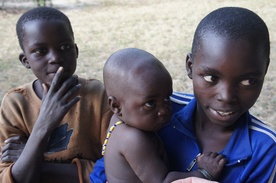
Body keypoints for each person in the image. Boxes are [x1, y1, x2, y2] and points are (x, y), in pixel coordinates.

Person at [90, 7, 276, 183]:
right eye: (211, 77)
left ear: (264, 71)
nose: (226, 96)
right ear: (190, 66)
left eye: (248, 82)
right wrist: (204, 174)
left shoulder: (266, 150)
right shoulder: (151, 111)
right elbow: (106, 171)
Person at [0, 7, 112, 183]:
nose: (55, 58)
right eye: (40, 51)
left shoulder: (98, 96)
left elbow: (114, 169)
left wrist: (34, 161)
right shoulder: (16, 104)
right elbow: (10, 178)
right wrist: (43, 123)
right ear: (25, 60)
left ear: (75, 51)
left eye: (64, 47)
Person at [101, 47, 226, 183]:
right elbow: (163, 181)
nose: (163, 110)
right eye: (150, 104)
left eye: (167, 98)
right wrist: (204, 173)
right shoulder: (133, 139)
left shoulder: (120, 121)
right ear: (116, 106)